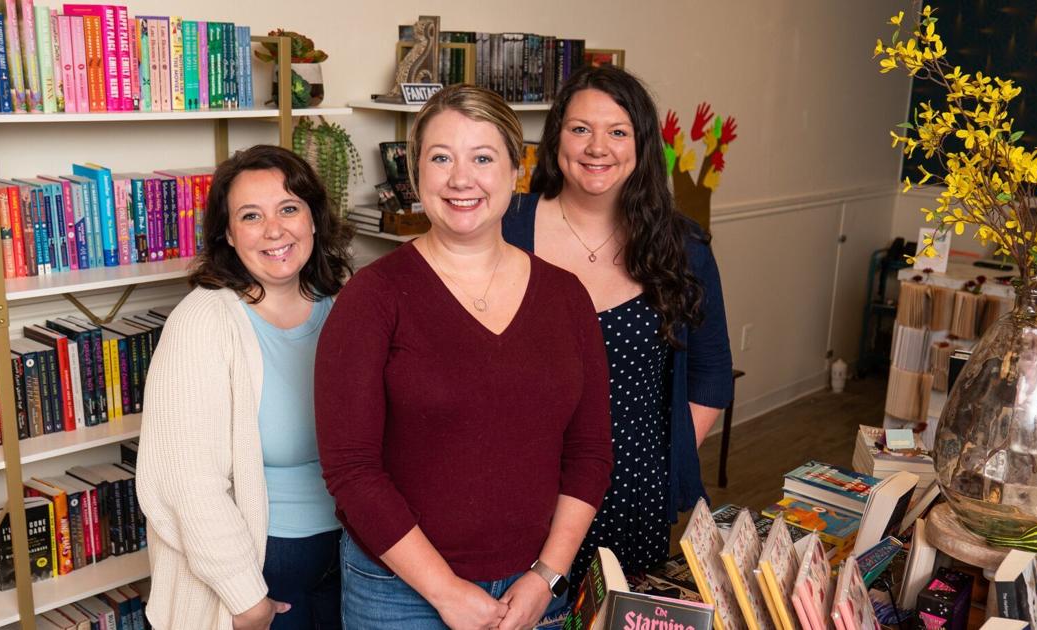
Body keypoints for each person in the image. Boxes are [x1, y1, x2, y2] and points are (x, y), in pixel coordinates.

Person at [315, 85, 614, 630]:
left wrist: (546, 575)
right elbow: (352, 471)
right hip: (399, 593)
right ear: (414, 173)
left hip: (533, 587)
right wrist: (446, 591)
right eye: (441, 158)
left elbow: (590, 452)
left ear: (516, 171)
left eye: (482, 158)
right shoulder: (372, 298)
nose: (461, 179)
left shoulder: (566, 297)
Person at [502, 65, 734, 583]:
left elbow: (712, 373)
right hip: (520, 486)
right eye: (580, 128)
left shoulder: (683, 247)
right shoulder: (506, 228)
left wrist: (660, 460)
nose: (596, 147)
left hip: (631, 490)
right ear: (556, 136)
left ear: (641, 145)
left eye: (617, 132)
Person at [137, 144, 354, 630]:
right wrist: (245, 597)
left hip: (353, 558)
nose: (275, 230)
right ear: (228, 235)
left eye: (289, 208)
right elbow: (184, 479)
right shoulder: (203, 321)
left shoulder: (346, 304)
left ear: (314, 220)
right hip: (261, 570)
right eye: (251, 216)